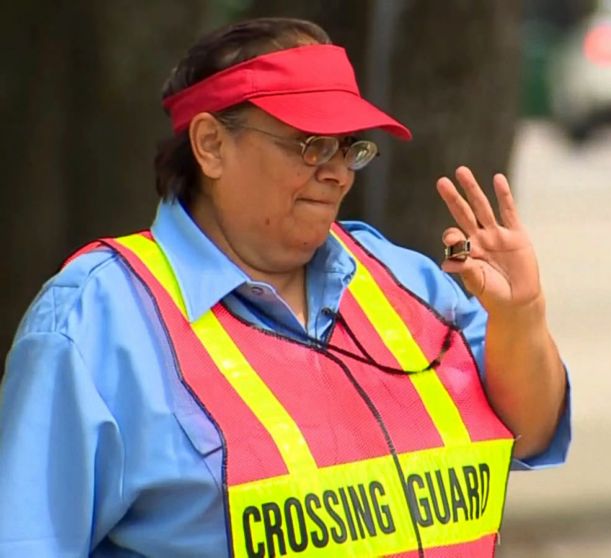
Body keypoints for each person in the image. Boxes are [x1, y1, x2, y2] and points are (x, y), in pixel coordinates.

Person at [0, 17, 570, 557]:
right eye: (310, 143)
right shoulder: (95, 320)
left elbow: (531, 432)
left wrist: (521, 314)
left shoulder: (406, 280)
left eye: (349, 146)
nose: (338, 171)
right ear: (211, 145)